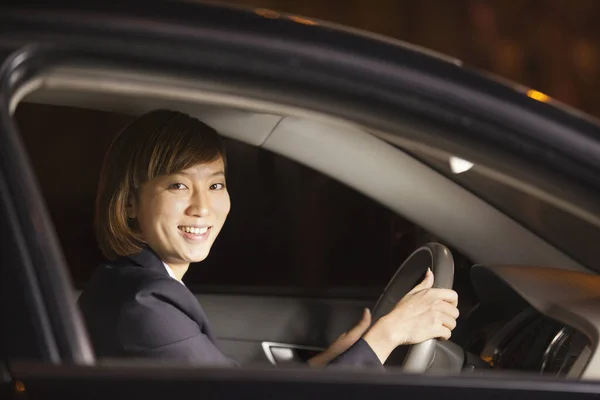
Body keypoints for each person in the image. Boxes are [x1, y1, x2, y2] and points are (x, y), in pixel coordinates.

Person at [78, 109, 459, 367]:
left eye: (215, 185)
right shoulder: (145, 308)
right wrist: (389, 334)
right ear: (130, 203)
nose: (202, 207)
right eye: (178, 185)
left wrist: (333, 359)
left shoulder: (124, 283)